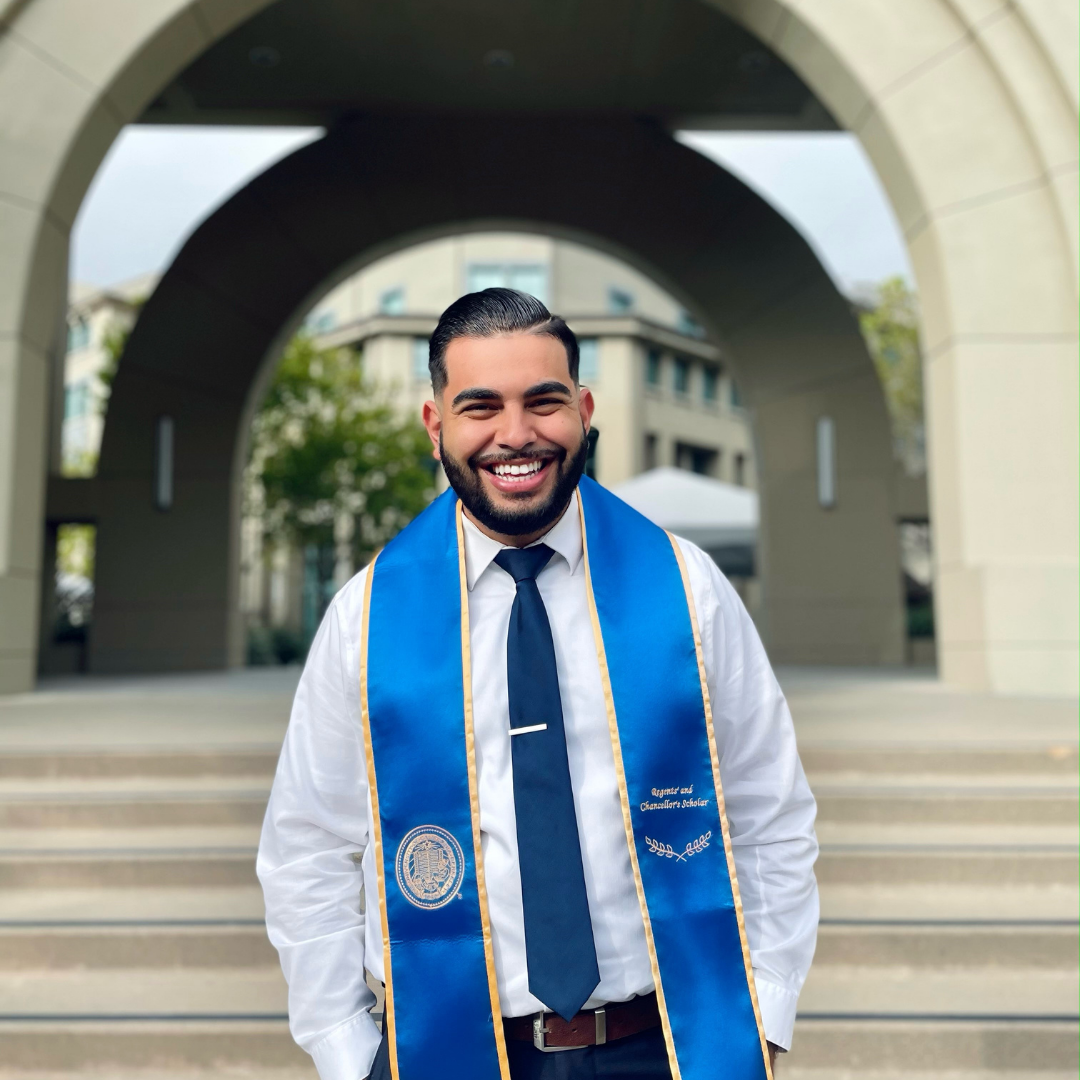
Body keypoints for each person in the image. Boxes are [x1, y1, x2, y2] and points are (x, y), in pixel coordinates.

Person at [257, 289, 818, 1080]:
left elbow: (769, 811)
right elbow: (309, 845)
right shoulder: (368, 616)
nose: (515, 435)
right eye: (479, 407)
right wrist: (347, 1051)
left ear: (584, 410)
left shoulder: (685, 587)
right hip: (447, 1048)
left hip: (670, 1047)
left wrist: (763, 1011)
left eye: (544, 402)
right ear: (435, 425)